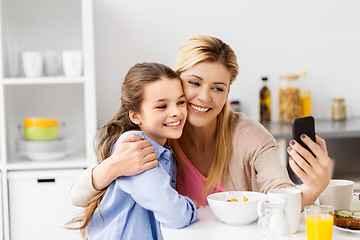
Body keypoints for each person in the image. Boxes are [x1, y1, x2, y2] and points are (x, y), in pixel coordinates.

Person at [69, 35, 331, 211]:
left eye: (218, 88)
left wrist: (311, 188)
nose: (204, 97)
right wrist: (111, 168)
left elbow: (280, 194)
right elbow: (78, 198)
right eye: (194, 83)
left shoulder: (251, 137)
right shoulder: (155, 132)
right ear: (175, 78)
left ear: (228, 93)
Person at [69, 63, 197, 239]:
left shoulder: (164, 148)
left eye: (180, 102)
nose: (176, 112)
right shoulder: (135, 146)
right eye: (162, 106)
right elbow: (174, 214)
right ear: (135, 116)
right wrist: (191, 207)